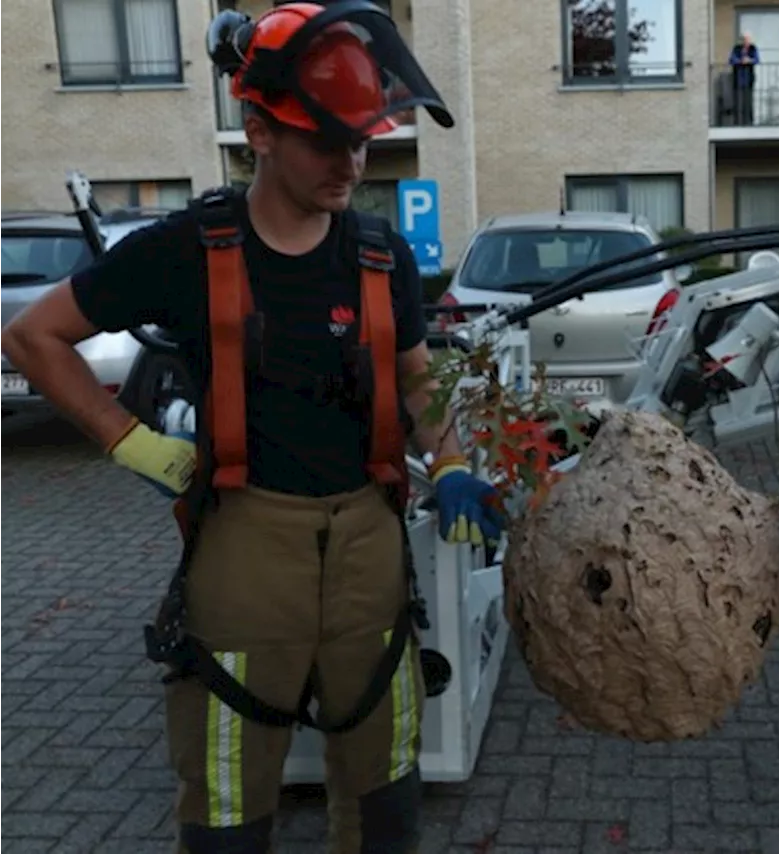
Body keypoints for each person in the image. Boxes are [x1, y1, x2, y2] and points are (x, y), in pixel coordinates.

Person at [0, 3, 503, 852]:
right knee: (229, 803)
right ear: (258, 129)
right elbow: (31, 336)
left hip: (369, 557)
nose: (350, 163)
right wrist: (126, 438)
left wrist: (449, 458)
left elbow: (418, 380)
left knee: (385, 796)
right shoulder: (186, 249)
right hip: (245, 552)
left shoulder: (382, 255)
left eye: (363, 140)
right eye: (326, 141)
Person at [728, 32, 759, 126]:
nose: (746, 41)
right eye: (745, 39)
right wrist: (741, 61)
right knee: (738, 102)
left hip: (748, 79)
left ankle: (749, 122)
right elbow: (731, 60)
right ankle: (737, 122)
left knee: (748, 102)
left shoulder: (753, 48)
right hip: (738, 79)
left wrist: (749, 60)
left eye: (748, 39)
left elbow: (757, 60)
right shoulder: (737, 48)